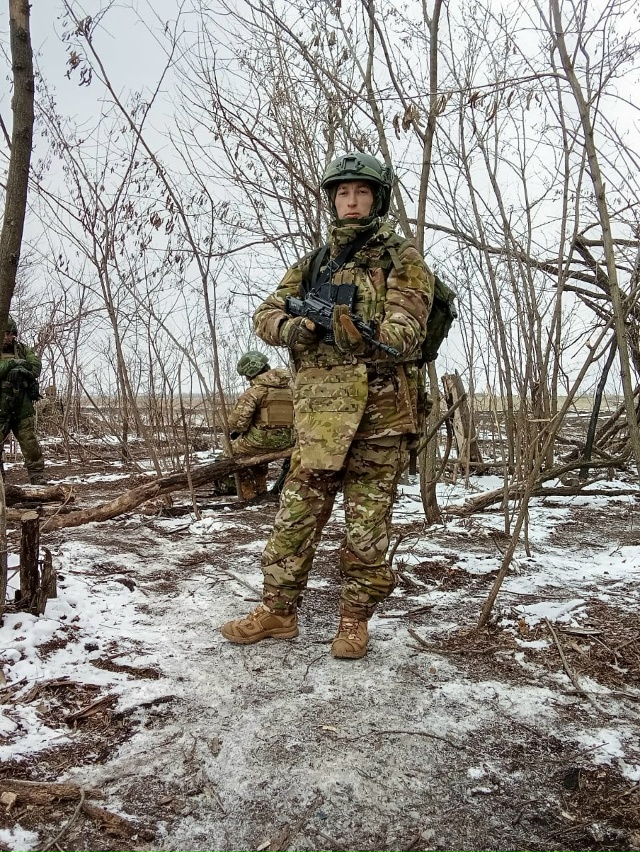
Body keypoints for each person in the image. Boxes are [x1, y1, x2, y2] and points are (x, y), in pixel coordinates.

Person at [221, 152, 435, 658]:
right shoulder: (313, 263)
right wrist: (298, 327)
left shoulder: (402, 259)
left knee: (366, 531)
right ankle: (277, 611)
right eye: (343, 193)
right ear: (333, 200)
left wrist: (356, 332)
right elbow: (267, 314)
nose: (352, 201)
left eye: (361, 192)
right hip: (319, 420)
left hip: (380, 421)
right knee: (293, 519)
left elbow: (407, 335)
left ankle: (353, 621)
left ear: (376, 198)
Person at [227, 351, 294, 500]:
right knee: (258, 449)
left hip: (260, 442)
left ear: (251, 372)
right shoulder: (291, 390)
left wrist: (237, 430)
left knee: (231, 451)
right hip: (288, 441)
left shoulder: (255, 392)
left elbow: (238, 423)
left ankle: (249, 494)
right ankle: (262, 489)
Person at [0, 315, 45, 484]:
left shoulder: (23, 349)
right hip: (1, 405)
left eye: (10, 333)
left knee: (30, 443)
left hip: (22, 404)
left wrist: (22, 371)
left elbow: (35, 366)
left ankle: (37, 477)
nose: (7, 337)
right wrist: (13, 364)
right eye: (4, 333)